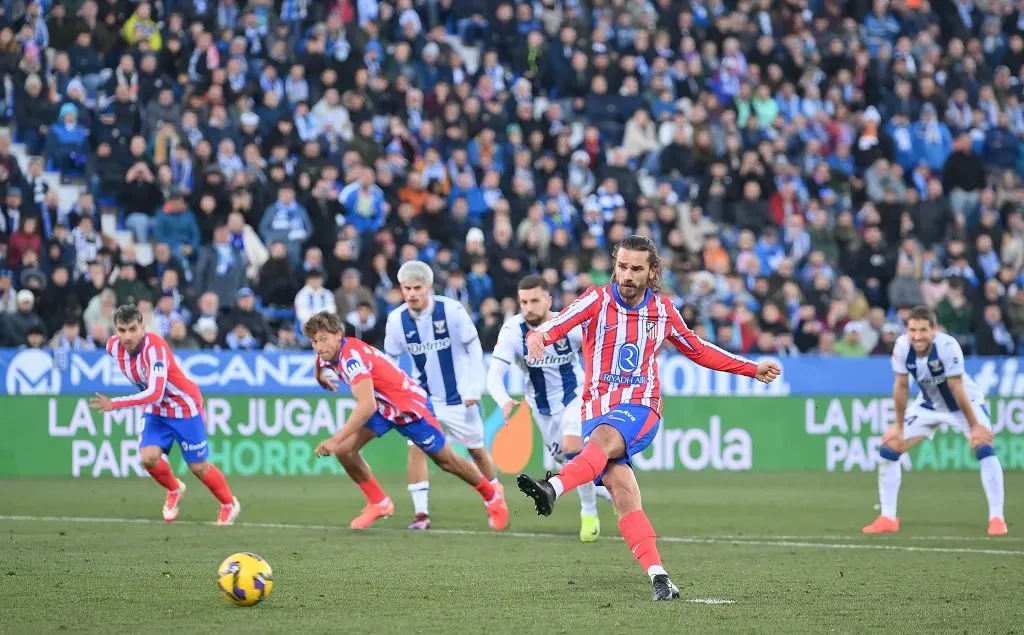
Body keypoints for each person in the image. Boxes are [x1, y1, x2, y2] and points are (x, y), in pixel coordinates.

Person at [515, 235, 781, 601]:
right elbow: (557, 324)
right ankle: (660, 577)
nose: (626, 275)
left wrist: (751, 368)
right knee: (624, 494)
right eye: (622, 266)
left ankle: (554, 487)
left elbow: (698, 349)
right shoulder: (595, 299)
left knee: (601, 442)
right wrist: (537, 337)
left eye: (636, 268)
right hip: (597, 410)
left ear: (651, 271)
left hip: (641, 406)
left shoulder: (663, 311)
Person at [306, 312, 509, 531]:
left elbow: (366, 406)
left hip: (410, 408)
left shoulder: (351, 359)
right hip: (385, 409)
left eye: (323, 340)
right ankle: (380, 503)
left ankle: (492, 496)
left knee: (447, 461)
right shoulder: (329, 352)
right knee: (345, 450)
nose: (318, 347)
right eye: (314, 341)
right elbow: (321, 360)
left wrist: (335, 439)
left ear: (338, 335)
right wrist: (319, 375)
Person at [89, 304, 240, 525]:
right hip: (157, 411)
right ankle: (174, 489)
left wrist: (115, 404)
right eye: (122, 330)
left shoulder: (155, 349)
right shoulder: (113, 347)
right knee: (148, 458)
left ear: (142, 327)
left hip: (184, 407)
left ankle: (229, 504)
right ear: (115, 331)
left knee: (198, 467)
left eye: (132, 329)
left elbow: (155, 393)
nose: (127, 336)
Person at [863, 305, 1007, 536]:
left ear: (934, 329)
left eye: (923, 330)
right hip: (928, 405)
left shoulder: (948, 346)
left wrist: (975, 426)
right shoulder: (902, 347)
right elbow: (900, 386)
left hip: (964, 405)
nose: (917, 336)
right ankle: (888, 517)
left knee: (984, 447)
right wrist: (898, 427)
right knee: (889, 448)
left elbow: (956, 387)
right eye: (912, 330)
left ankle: (997, 518)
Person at [487, 274, 609, 542]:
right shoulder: (512, 331)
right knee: (569, 465)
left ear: (549, 300)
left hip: (575, 397)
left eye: (534, 300)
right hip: (541, 409)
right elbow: (494, 375)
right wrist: (504, 400)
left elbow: (600, 350)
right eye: (523, 302)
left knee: (572, 448)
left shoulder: (568, 325)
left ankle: (588, 512)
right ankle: (611, 488)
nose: (528, 307)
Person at [383, 260, 500, 530]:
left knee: (476, 450)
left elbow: (474, 349)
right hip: (422, 398)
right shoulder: (396, 320)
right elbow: (390, 361)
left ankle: (495, 498)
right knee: (416, 448)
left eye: (416, 288)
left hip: (459, 396)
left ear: (429, 287)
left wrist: (473, 387)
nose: (411, 294)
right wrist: (395, 394)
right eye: (406, 288)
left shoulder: (453, 311)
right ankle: (421, 514)